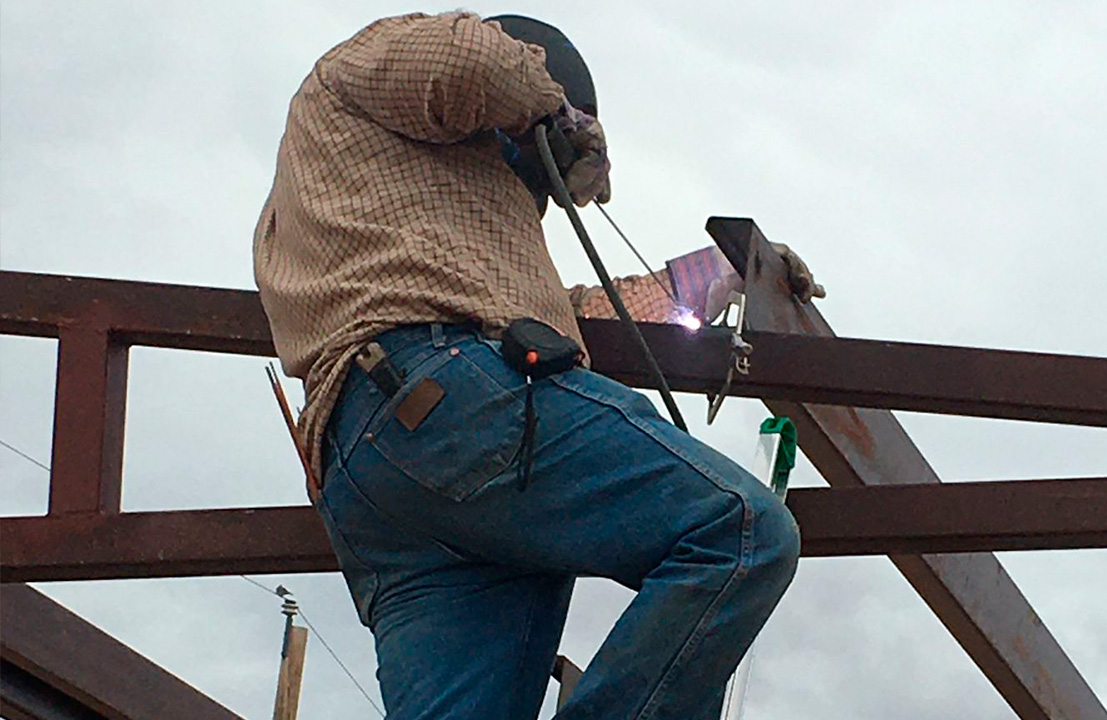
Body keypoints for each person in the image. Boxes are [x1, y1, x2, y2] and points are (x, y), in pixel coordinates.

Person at [253, 12, 822, 720]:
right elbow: (467, 60)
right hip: (451, 403)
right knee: (740, 531)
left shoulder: (396, 220)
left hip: (382, 480)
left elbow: (577, 320)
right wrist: (561, 114)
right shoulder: (355, 76)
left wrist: (726, 274)